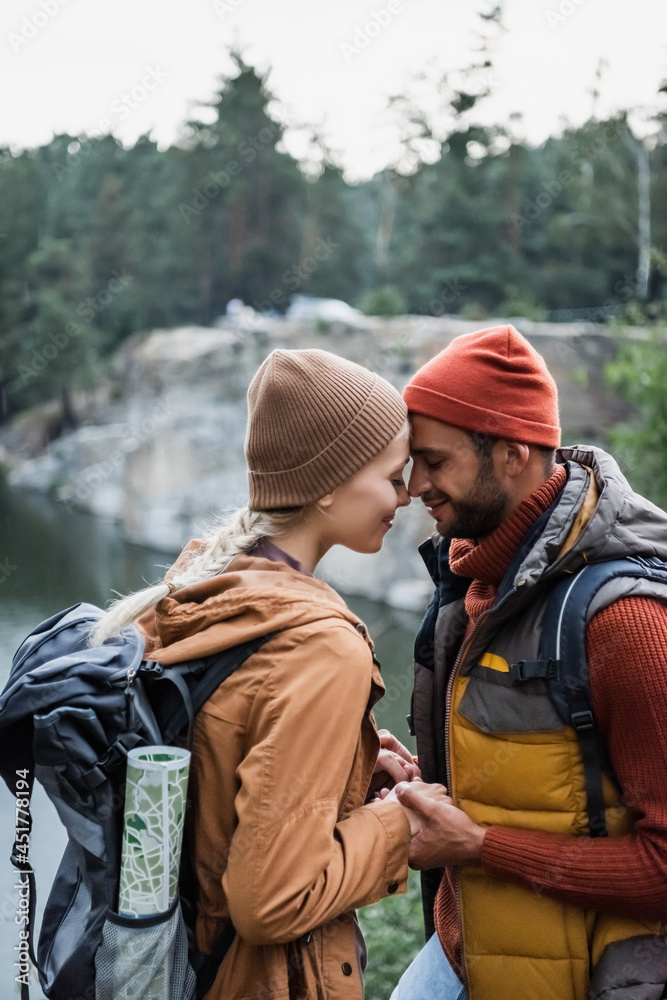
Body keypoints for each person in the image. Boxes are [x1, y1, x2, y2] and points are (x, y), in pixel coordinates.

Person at [91, 348, 422, 1000]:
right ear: (328, 481)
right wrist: (401, 826)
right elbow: (269, 901)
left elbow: (223, 779)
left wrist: (349, 769)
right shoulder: (322, 649)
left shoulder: (204, 584)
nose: (406, 496)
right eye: (393, 475)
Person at [390, 324, 667, 1000]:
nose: (411, 486)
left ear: (511, 455)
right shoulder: (475, 575)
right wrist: (418, 777)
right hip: (463, 953)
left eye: (432, 461)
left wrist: (479, 846)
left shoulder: (625, 625)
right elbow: (544, 781)